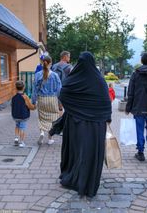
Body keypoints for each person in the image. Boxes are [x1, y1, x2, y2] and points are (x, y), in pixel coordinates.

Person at [57, 51, 111, 197]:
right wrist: (107, 118)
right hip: (96, 125)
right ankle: (89, 183)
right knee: (91, 153)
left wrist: (75, 109)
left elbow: (63, 94)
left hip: (76, 123)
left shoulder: (73, 78)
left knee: (77, 151)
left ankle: (73, 178)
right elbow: (106, 102)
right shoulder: (99, 80)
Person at [32, 55, 62, 145]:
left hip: (42, 99)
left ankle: (42, 133)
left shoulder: (37, 75)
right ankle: (50, 138)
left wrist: (33, 101)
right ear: (50, 63)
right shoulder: (55, 75)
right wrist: (60, 103)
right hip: (53, 99)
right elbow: (59, 90)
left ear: (42, 63)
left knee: (42, 118)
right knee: (52, 119)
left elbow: (34, 90)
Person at [11, 80, 36, 147]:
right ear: (24, 87)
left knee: (17, 126)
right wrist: (34, 107)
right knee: (22, 128)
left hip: (15, 116)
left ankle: (16, 138)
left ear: (16, 88)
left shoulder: (13, 97)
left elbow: (12, 106)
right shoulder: (25, 97)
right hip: (23, 116)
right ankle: (21, 142)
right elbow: (30, 106)